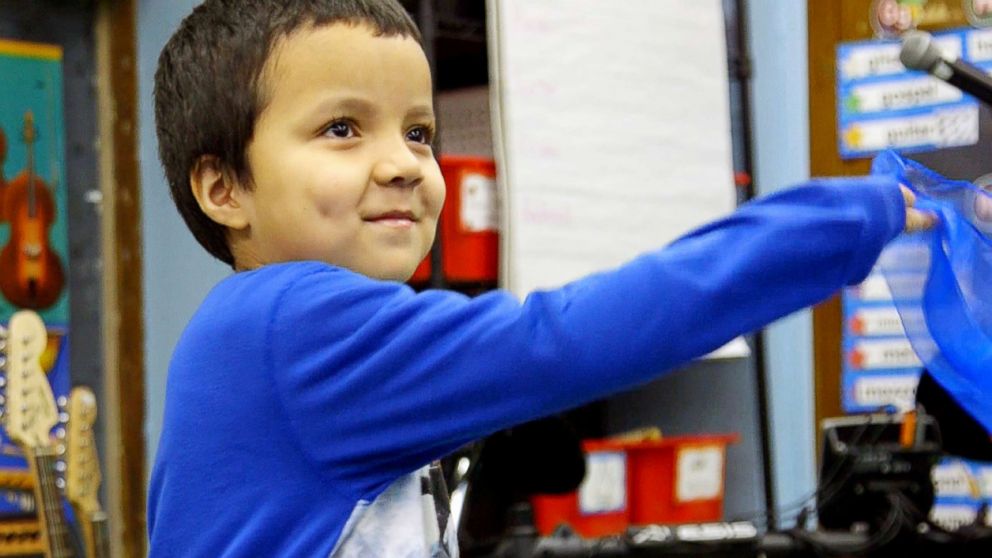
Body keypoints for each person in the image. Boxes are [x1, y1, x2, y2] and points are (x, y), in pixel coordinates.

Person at [147, 1, 935, 556]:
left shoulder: (281, 331)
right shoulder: (291, 327)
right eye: (342, 129)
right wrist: (856, 214)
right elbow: (564, 339)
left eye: (419, 132)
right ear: (225, 189)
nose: (402, 165)